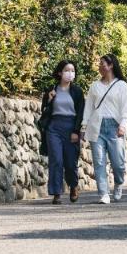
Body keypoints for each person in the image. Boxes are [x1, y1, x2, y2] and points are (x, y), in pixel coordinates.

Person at [81, 53, 127, 205]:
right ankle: (103, 193)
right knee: (99, 162)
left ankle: (118, 182)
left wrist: (122, 125)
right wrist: (84, 126)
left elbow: (125, 108)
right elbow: (88, 107)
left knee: (118, 163)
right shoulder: (94, 86)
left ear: (111, 66)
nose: (100, 66)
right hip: (97, 127)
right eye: (99, 63)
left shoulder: (122, 85)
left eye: (103, 63)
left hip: (115, 127)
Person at [40, 60, 84, 204]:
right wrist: (49, 99)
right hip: (54, 127)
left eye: (72, 70)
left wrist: (76, 131)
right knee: (56, 160)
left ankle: (73, 185)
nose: (70, 73)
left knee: (71, 163)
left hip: (71, 126)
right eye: (67, 70)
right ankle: (56, 192)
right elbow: (44, 109)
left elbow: (80, 113)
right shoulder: (52, 89)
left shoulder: (77, 91)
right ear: (60, 72)